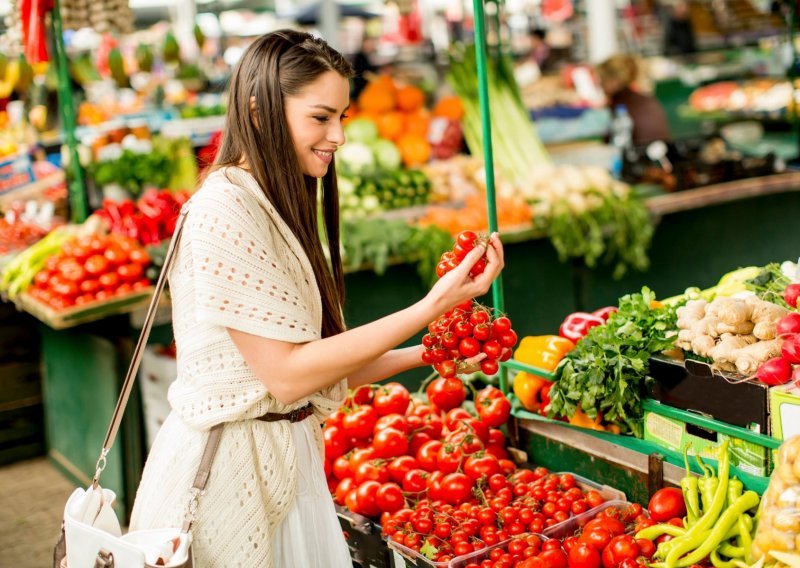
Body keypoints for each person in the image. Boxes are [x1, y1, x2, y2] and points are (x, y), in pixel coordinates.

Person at [128, 29, 504, 568]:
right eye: (320, 117)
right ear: (259, 112)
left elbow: (319, 371)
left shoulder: (269, 203)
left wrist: (433, 353)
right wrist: (431, 309)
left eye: (342, 118)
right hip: (228, 481)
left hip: (283, 466)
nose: (338, 138)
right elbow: (287, 376)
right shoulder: (223, 212)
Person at [595, 53, 671, 146]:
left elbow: (610, 143)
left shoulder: (619, 106)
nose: (599, 85)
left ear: (614, 82)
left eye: (602, 80)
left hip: (637, 157)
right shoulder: (647, 99)